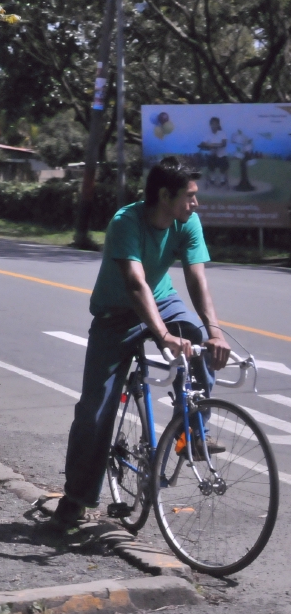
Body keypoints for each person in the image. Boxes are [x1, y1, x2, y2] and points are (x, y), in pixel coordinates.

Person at [53, 157, 231, 532]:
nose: (195, 204)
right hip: (116, 312)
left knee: (196, 339)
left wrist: (214, 331)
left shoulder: (187, 222)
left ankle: (191, 434)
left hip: (163, 300)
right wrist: (164, 336)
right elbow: (135, 285)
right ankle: (76, 498)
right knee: (95, 409)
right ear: (165, 195)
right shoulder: (125, 222)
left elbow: (197, 280)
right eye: (190, 196)